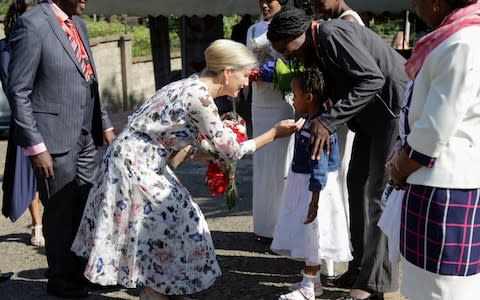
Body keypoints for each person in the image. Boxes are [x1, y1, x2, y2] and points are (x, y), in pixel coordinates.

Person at [71, 39, 303, 300]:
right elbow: (232, 151)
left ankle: (165, 288)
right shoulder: (200, 97)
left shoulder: (188, 84)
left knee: (179, 220)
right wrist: (274, 133)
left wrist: (195, 152)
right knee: (168, 223)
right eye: (244, 76)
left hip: (139, 159)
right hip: (135, 164)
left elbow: (163, 127)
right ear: (227, 72)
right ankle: (155, 290)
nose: (246, 82)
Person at [267, 7, 407, 300]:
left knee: (377, 194)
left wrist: (328, 122)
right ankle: (359, 267)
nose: (287, 56)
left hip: (391, 110)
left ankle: (374, 283)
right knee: (356, 184)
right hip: (369, 116)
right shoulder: (316, 46)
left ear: (299, 34)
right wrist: (320, 119)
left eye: (286, 49)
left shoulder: (331, 34)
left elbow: (371, 79)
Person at [7, 0, 115, 298]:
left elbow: (90, 80)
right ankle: (60, 278)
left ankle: (82, 273)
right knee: (59, 211)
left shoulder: (78, 24)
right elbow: (19, 91)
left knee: (86, 204)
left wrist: (104, 124)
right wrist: (35, 146)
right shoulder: (32, 25)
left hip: (84, 136)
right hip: (52, 139)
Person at [387, 1, 480, 299]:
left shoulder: (463, 41)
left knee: (442, 286)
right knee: (426, 282)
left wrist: (402, 164)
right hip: (434, 179)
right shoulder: (456, 37)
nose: (415, 5)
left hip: (443, 183)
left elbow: (437, 125)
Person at [271, 68, 352, 300]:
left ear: (308, 98)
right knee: (306, 233)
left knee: (314, 234)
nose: (291, 100)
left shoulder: (318, 130)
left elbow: (319, 166)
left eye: (294, 96)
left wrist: (315, 201)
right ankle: (313, 282)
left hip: (314, 190)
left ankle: (308, 287)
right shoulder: (310, 123)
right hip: (306, 187)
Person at [309, 0, 364, 283]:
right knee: (340, 181)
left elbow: (358, 78)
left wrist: (330, 115)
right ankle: (341, 254)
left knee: (337, 181)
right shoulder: (334, 22)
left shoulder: (347, 22)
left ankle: (341, 252)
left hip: (341, 118)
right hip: (337, 115)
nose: (314, 3)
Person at [246, 0, 295, 240]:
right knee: (262, 161)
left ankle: (283, 227)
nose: (264, 5)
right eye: (261, 1)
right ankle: (264, 226)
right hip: (259, 100)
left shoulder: (289, 25)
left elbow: (295, 61)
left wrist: (275, 70)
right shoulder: (253, 30)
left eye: (270, 0)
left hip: (282, 102)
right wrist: (250, 72)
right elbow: (246, 60)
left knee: (282, 163)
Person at [1, 0, 44, 247]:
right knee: (29, 175)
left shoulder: (38, 44)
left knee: (49, 174)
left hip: (45, 116)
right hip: (23, 119)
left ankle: (50, 224)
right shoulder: (4, 50)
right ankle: (37, 225)